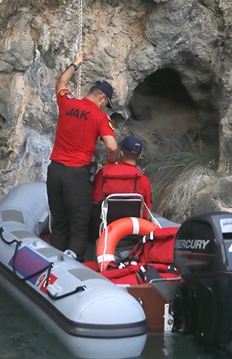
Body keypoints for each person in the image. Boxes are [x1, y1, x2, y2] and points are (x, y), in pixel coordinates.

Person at [46, 52, 118, 261]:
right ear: (102, 98)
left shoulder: (67, 102)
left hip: (55, 171)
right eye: (107, 103)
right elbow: (112, 146)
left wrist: (75, 64)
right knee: (79, 223)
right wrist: (110, 162)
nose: (106, 107)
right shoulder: (100, 116)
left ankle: (52, 265)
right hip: (77, 175)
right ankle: (73, 266)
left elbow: (60, 83)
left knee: (59, 222)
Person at [89, 135, 152, 243]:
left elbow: (95, 204)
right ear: (139, 156)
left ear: (121, 153)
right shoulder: (144, 180)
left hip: (104, 232)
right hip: (132, 233)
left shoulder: (103, 174)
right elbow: (147, 214)